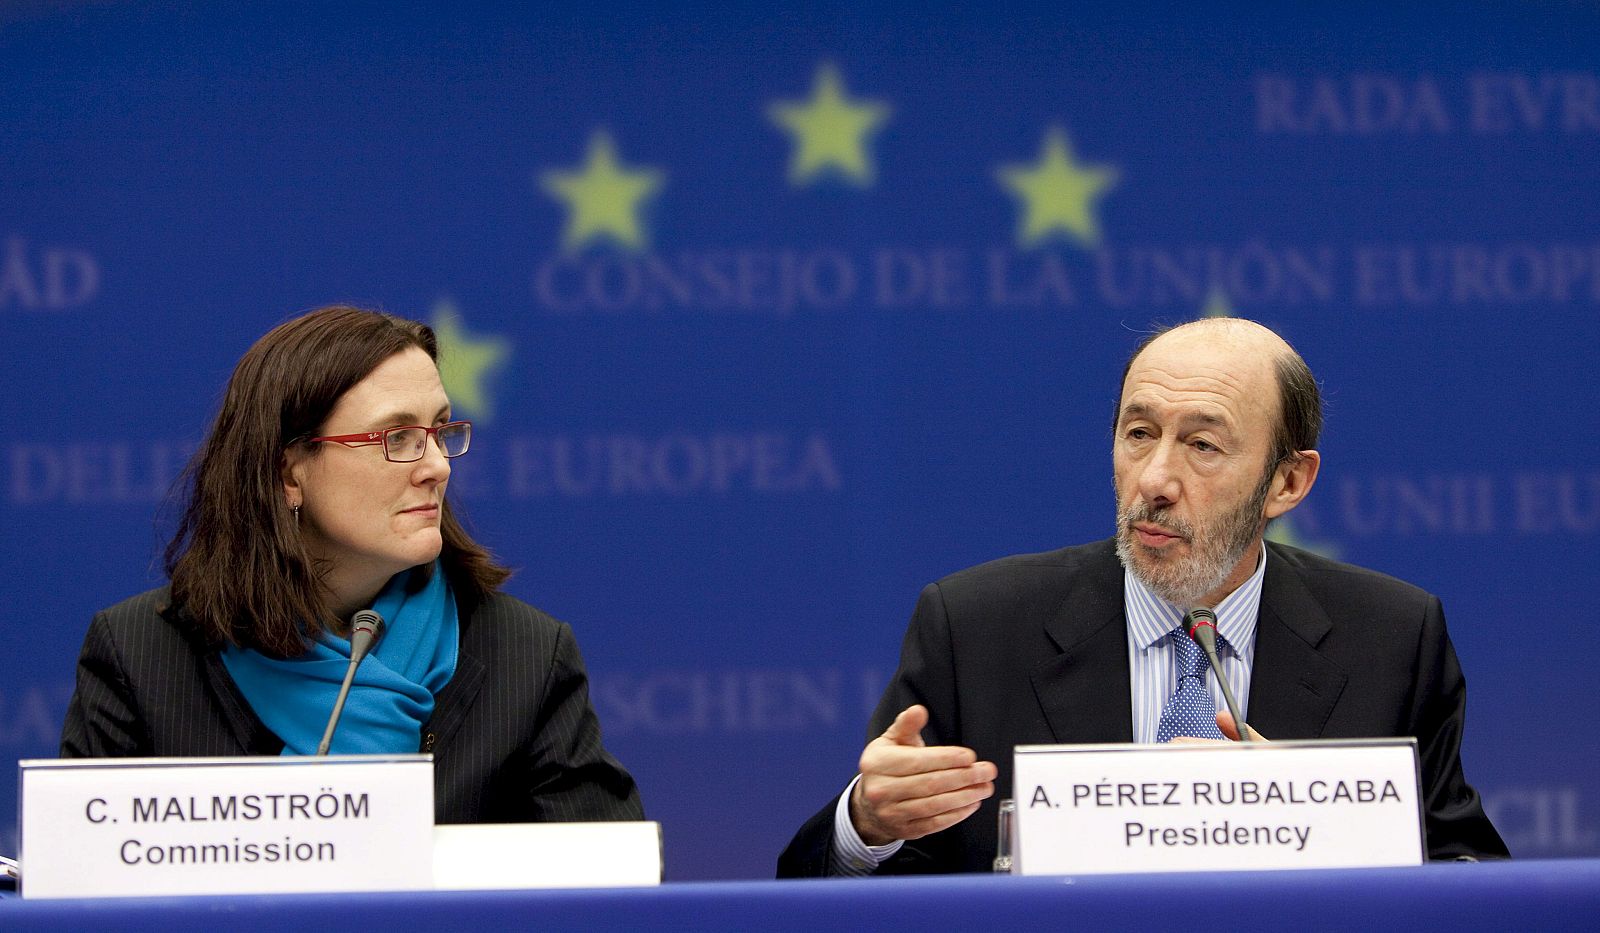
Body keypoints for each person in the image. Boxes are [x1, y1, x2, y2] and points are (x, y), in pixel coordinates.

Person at [778, 317, 1507, 876]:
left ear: (1287, 482)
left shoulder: (1390, 635)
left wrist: (1313, 814)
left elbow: (1471, 882)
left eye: (1202, 445)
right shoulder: (975, 627)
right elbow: (819, 891)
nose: (1154, 479)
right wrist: (865, 826)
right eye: (1139, 432)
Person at [60, 305, 642, 825]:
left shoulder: (526, 655)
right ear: (290, 472)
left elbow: (612, 894)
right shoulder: (138, 655)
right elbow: (82, 895)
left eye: (440, 430)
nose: (438, 465)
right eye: (397, 436)